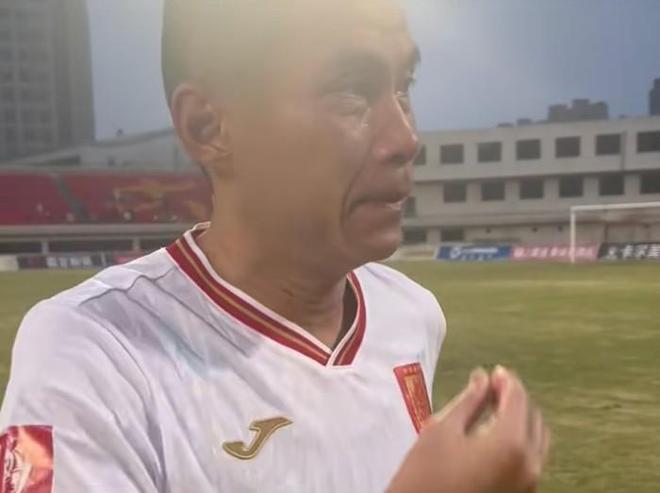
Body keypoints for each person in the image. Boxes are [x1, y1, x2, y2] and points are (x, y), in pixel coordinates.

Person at [0, 0, 549, 491]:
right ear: (208, 126)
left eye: (403, 87)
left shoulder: (412, 314)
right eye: (352, 91)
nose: (405, 138)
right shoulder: (85, 354)